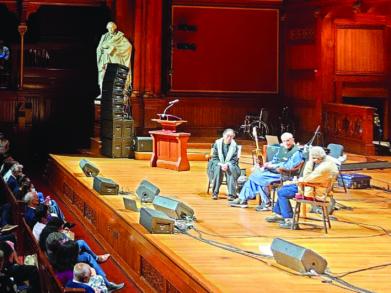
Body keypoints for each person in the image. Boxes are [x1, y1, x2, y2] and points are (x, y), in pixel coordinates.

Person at [265, 146, 338, 229]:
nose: (313, 160)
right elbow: (310, 178)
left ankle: (289, 220)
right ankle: (280, 214)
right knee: (283, 189)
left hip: (313, 191)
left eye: (314, 158)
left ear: (318, 157)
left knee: (282, 192)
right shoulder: (328, 162)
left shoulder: (324, 168)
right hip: (312, 187)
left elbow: (307, 178)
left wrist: (309, 164)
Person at [230, 132, 302, 209]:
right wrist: (266, 164)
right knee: (257, 173)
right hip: (273, 171)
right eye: (284, 141)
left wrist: (271, 166)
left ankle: (260, 202)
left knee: (258, 176)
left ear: (292, 140)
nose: (286, 143)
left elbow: (289, 166)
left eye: (288, 140)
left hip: (284, 174)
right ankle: (246, 200)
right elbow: (274, 160)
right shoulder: (282, 148)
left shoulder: (296, 152)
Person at [96, 21, 132, 97]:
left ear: (115, 28)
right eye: (109, 28)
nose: (110, 30)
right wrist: (103, 48)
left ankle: (117, 94)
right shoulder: (104, 37)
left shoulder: (120, 37)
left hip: (115, 60)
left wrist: (115, 50)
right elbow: (98, 48)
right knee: (103, 76)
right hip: (105, 61)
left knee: (115, 76)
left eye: (112, 28)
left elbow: (128, 47)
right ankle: (103, 94)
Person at [207, 129, 241, 200]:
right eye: (228, 136)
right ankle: (215, 193)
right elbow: (214, 157)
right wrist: (221, 164)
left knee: (231, 169)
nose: (229, 138)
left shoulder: (234, 145)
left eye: (231, 136)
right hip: (217, 163)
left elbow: (234, 159)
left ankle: (231, 194)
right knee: (218, 168)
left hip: (230, 164)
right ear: (223, 135)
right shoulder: (217, 143)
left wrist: (227, 164)